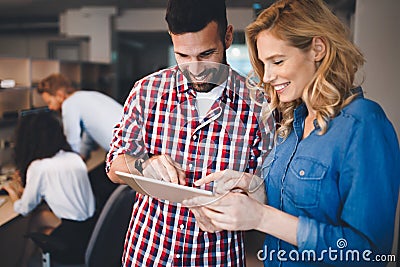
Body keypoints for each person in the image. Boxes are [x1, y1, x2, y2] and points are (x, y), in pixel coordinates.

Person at [184, 0, 400, 266]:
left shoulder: (363, 124)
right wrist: (251, 190)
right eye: (265, 64)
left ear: (317, 49)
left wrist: (261, 217)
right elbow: (298, 202)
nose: (268, 76)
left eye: (278, 61)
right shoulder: (292, 124)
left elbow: (370, 253)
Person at [106, 0, 273, 265]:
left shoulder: (259, 105)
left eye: (207, 54)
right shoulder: (146, 92)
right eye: (183, 56)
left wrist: (241, 201)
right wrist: (144, 165)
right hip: (148, 253)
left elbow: (267, 190)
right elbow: (115, 166)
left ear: (228, 37)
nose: (195, 70)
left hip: (216, 256)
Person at [1, 111, 95, 267]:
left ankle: (23, 262)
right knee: (39, 216)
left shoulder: (39, 167)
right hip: (89, 231)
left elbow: (24, 209)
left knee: (35, 218)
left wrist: (11, 191)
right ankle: (23, 262)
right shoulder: (73, 158)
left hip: (73, 243)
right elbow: (58, 193)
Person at [37, 73, 123, 161]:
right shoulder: (86, 95)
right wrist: (83, 154)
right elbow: (89, 130)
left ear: (59, 95)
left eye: (49, 102)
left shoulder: (69, 104)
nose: (50, 107)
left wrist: (74, 161)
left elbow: (72, 141)